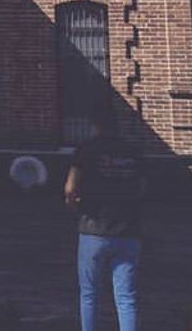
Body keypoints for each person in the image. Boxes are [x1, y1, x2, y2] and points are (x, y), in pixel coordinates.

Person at [63, 104, 145, 331]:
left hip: (94, 230)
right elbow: (142, 187)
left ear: (94, 124)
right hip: (128, 230)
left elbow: (70, 189)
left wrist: (77, 210)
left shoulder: (86, 151)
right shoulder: (133, 152)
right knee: (127, 296)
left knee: (89, 295)